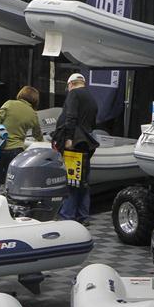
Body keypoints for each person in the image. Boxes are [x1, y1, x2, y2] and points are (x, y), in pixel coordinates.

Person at [55, 73, 99, 225]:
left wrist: (68, 138)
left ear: (71, 84)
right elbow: (93, 123)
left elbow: (71, 117)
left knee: (72, 180)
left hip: (73, 144)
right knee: (83, 181)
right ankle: (83, 216)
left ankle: (67, 215)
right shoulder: (92, 98)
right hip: (86, 144)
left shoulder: (74, 94)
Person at [0, 86, 44, 193]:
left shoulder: (9, 104)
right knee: (11, 181)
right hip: (17, 151)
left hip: (0, 148)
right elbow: (38, 135)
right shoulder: (33, 114)